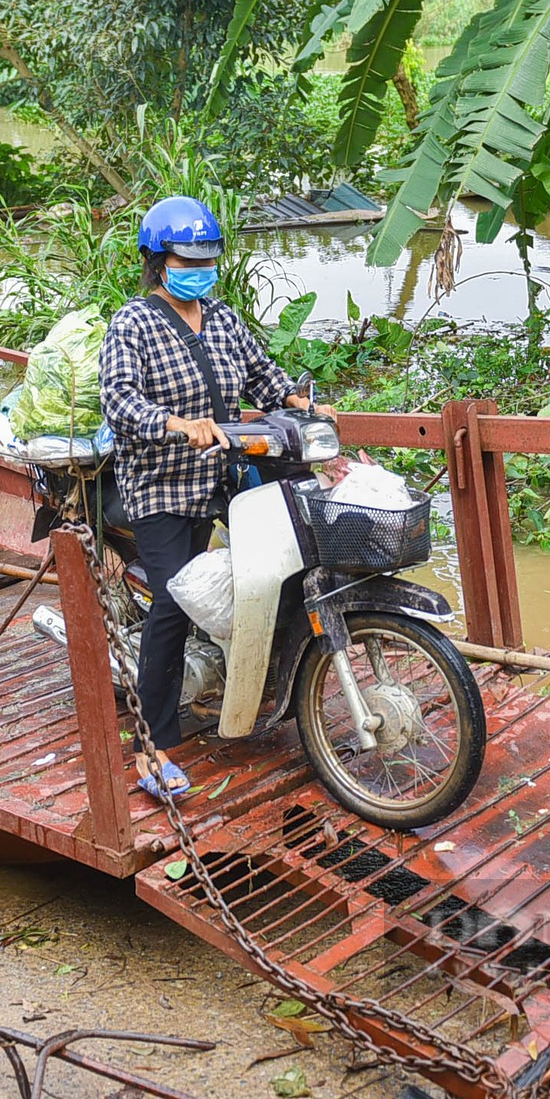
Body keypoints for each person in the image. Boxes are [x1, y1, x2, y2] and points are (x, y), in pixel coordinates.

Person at [99, 196, 327, 800]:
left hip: (226, 476)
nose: (197, 268)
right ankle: (155, 749)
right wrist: (175, 423)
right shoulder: (133, 323)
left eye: (207, 258)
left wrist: (299, 400)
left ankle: (270, 687)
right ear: (156, 262)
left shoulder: (222, 318)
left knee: (289, 564)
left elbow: (262, 375)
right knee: (177, 603)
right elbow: (119, 401)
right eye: (184, 258)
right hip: (162, 486)